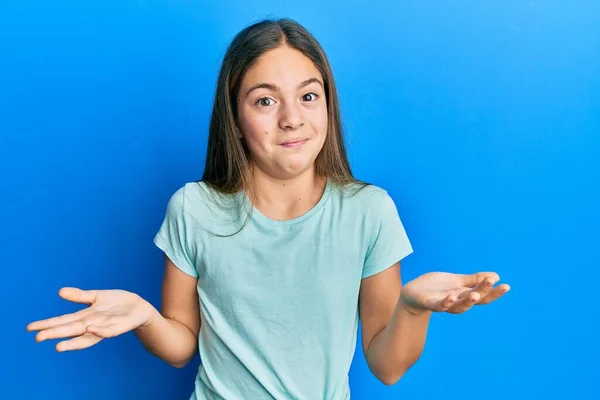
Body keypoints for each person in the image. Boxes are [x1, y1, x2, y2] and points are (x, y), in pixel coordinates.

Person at [26, 18, 510, 400]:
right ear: (234, 119)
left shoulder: (369, 212)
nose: (292, 118)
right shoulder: (193, 209)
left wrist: (410, 307)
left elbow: (386, 368)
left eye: (307, 96)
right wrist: (144, 318)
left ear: (327, 105)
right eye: (264, 101)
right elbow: (180, 347)